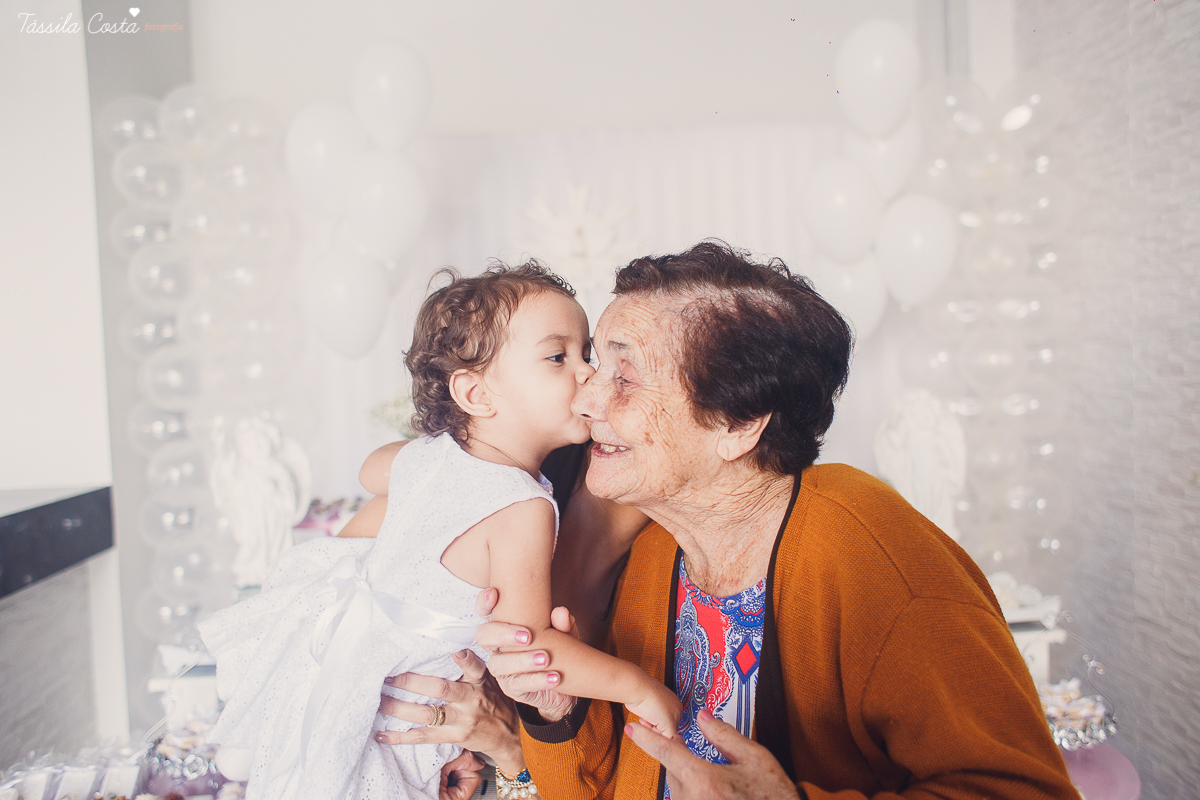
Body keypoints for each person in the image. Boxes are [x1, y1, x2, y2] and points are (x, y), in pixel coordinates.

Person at [384, 242, 1079, 800]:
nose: (586, 399)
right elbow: (598, 787)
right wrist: (552, 711)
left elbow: (1027, 792)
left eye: (625, 377)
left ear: (738, 424)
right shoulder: (654, 551)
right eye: (593, 365)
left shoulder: (872, 554)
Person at [199, 262, 679, 800]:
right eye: (557, 357)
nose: (588, 373)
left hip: (351, 684)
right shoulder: (522, 507)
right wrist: (637, 687)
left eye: (584, 353)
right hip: (401, 721)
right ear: (475, 394)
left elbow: (371, 470)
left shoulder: (428, 458)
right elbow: (525, 653)